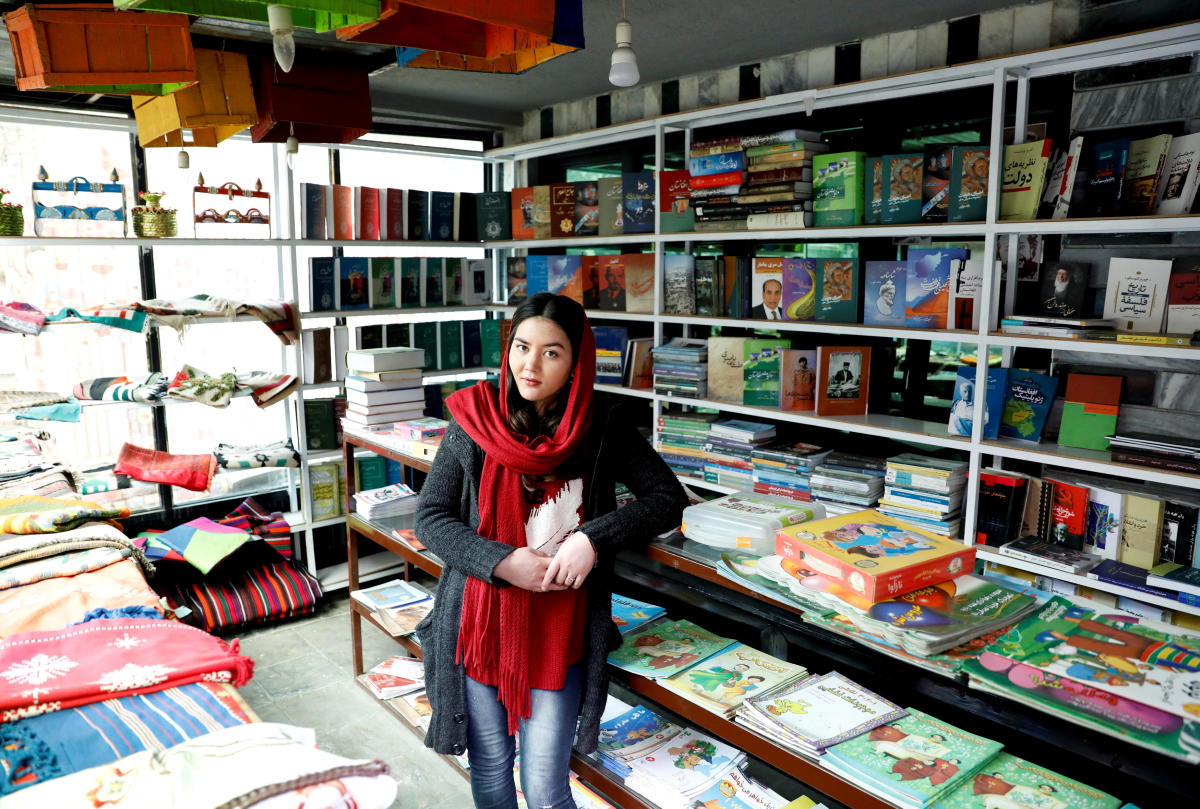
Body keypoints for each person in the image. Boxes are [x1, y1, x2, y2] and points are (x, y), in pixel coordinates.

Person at [415, 293, 688, 809]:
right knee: (491, 765)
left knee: (544, 785)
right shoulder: (475, 418)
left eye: (551, 352)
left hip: (561, 631)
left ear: (576, 361)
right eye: (522, 347)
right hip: (481, 624)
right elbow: (430, 517)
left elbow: (666, 498)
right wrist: (500, 561)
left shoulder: (602, 424)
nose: (530, 365)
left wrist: (593, 538)